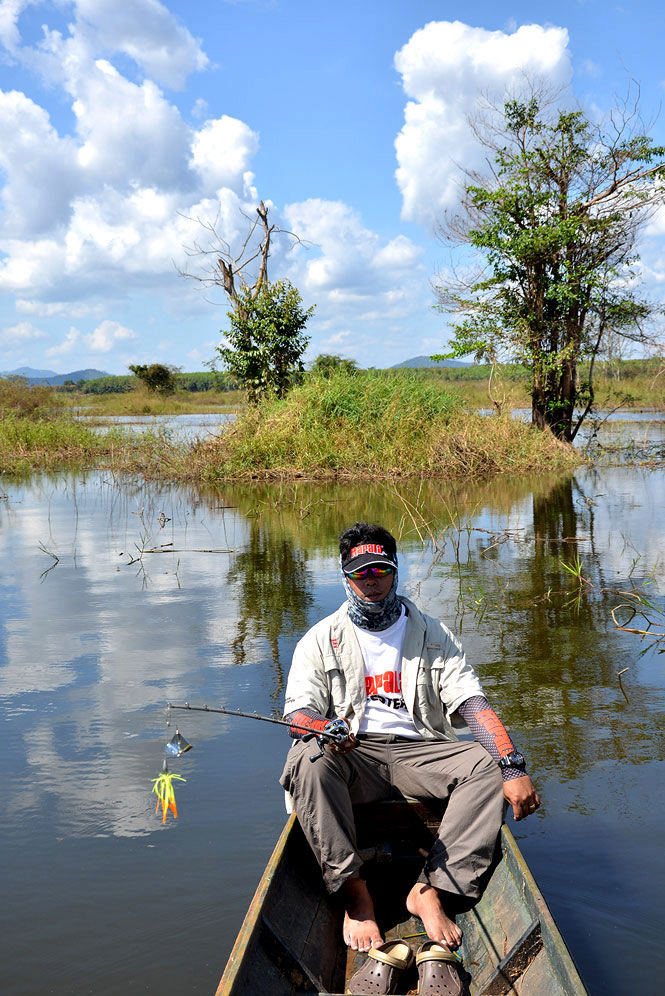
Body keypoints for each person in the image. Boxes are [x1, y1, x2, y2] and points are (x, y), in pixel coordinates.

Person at [280, 522, 540, 957]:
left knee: (485, 764)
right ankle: (355, 891)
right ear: (346, 576)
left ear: (395, 571)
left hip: (420, 750)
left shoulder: (433, 633)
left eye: (380, 570)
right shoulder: (318, 640)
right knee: (307, 760)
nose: (372, 581)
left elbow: (472, 705)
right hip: (353, 755)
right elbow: (298, 715)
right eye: (361, 573)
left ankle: (430, 888)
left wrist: (512, 767)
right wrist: (325, 728)